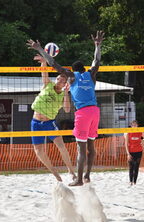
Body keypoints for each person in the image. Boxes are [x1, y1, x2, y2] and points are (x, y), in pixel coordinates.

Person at [27, 30, 105, 186]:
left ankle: (79, 179)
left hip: (83, 113)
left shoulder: (72, 77)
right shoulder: (91, 75)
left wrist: (40, 49)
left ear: (74, 71)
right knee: (91, 145)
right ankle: (88, 175)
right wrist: (97, 45)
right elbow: (96, 60)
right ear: (84, 69)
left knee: (81, 148)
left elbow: (53, 64)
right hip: (95, 111)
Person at [30, 54, 76, 182]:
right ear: (55, 79)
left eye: (63, 80)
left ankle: (71, 171)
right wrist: (44, 62)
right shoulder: (47, 85)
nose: (60, 81)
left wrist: (66, 93)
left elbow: (67, 109)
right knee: (38, 151)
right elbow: (44, 73)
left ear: (65, 84)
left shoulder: (63, 95)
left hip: (49, 123)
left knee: (61, 146)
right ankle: (56, 174)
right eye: (59, 78)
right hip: (35, 122)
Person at [124, 120, 144, 185]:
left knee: (136, 167)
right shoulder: (128, 133)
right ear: (131, 126)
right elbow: (126, 144)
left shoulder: (140, 131)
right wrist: (128, 154)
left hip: (139, 151)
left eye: (135, 125)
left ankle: (134, 182)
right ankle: (130, 181)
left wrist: (141, 142)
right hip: (131, 151)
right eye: (133, 125)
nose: (134, 126)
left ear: (137, 126)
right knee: (131, 167)